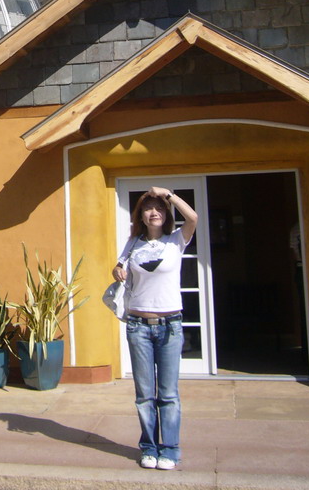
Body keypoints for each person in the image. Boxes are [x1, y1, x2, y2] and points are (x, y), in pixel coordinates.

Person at [112, 186, 198, 471]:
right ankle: (149, 447)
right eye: (149, 209)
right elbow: (119, 267)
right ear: (141, 215)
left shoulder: (176, 241)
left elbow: (194, 218)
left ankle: (170, 449)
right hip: (138, 326)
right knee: (144, 394)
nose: (154, 213)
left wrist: (168, 195)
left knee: (169, 394)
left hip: (170, 326)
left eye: (159, 209)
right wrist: (117, 270)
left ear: (166, 215)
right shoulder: (133, 243)